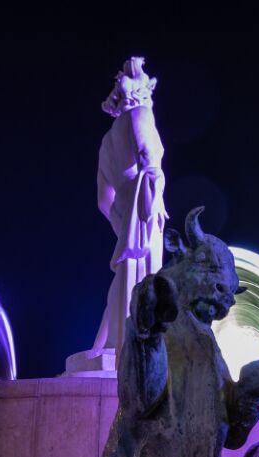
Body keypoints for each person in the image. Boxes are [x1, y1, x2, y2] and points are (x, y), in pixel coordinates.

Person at [89, 57, 169, 354]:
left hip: (125, 207)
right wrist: (153, 199)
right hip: (144, 200)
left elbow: (102, 199)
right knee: (144, 278)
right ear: (142, 93)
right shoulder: (141, 115)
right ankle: (135, 347)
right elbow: (149, 158)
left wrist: (121, 222)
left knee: (126, 273)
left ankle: (112, 342)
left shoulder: (107, 140)